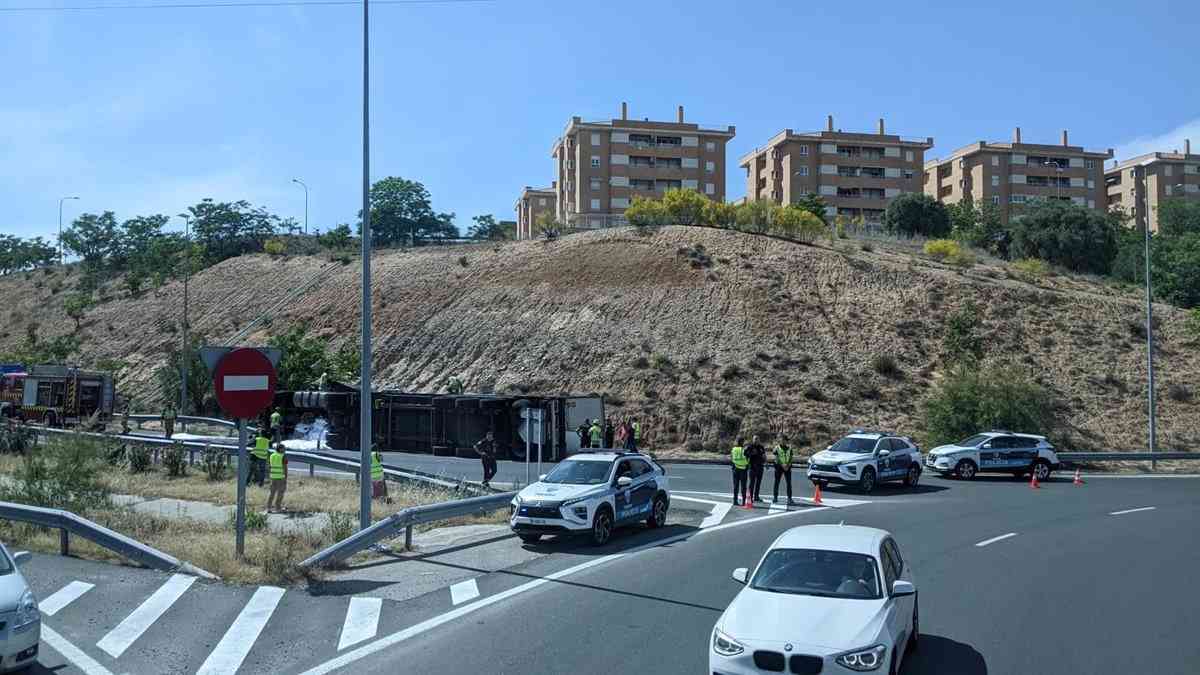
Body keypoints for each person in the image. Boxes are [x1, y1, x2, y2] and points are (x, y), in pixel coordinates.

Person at [772, 435, 795, 506]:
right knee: (777, 482)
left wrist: (788, 465)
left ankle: (789, 498)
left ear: (786, 441)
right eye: (781, 440)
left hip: (787, 467)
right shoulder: (777, 448)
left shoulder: (789, 448)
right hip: (779, 467)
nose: (783, 441)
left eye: (784, 440)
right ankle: (775, 497)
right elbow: (776, 458)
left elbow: (791, 457)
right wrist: (782, 465)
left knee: (789, 483)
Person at [267, 442, 287, 513]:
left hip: (273, 476)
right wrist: (285, 477)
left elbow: (269, 466)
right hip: (281, 477)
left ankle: (269, 507)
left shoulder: (271, 455)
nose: (285, 450)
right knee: (280, 493)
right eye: (284, 448)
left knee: (272, 493)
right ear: (280, 449)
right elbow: (285, 468)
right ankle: (278, 508)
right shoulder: (283, 456)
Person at [745, 434, 766, 502]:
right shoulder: (750, 446)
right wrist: (751, 453)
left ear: (759, 440)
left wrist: (766, 463)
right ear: (753, 439)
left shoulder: (761, 447)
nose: (756, 440)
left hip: (760, 467)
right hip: (752, 467)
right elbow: (745, 454)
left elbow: (764, 455)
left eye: (757, 439)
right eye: (755, 439)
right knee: (752, 483)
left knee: (758, 483)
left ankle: (756, 497)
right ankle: (750, 498)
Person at [730, 437, 749, 506]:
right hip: (743, 469)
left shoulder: (733, 449)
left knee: (736, 486)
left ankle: (735, 500)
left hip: (735, 469)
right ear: (741, 442)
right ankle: (743, 501)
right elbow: (748, 457)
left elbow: (731, 458)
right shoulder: (744, 449)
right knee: (743, 486)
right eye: (743, 442)